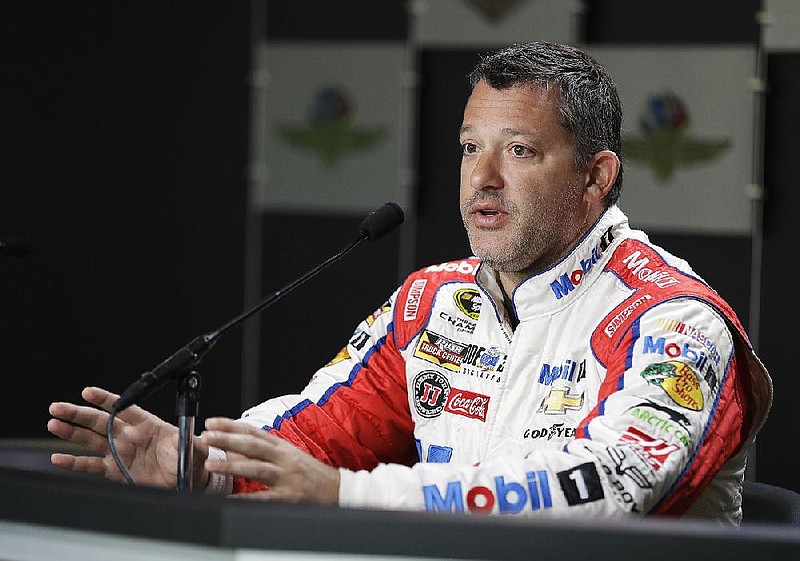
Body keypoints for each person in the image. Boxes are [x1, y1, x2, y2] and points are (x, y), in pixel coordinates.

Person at [47, 41, 772, 523]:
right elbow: (318, 430)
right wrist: (205, 463)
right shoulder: (435, 303)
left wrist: (354, 495)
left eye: (519, 150)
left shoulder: (674, 320)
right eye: (468, 148)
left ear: (596, 175)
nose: (481, 179)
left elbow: (611, 486)